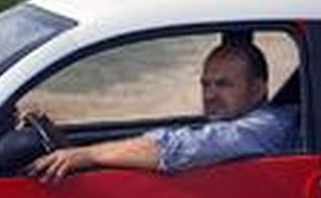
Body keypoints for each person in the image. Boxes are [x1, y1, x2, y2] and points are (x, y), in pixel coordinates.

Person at [25, 40, 299, 182]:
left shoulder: (268, 127)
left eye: (224, 85)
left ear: (258, 89)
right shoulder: (242, 120)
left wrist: (87, 154)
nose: (210, 95)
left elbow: (184, 148)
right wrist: (67, 148)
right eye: (206, 84)